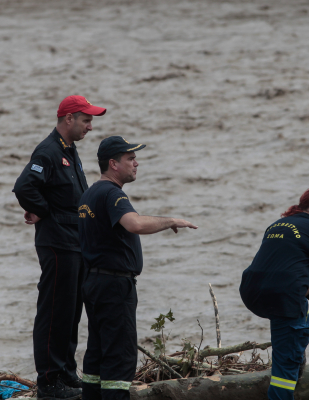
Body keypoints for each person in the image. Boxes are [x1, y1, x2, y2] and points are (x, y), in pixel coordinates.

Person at [78, 136, 198, 400]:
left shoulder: (89, 193)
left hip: (93, 283)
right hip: (114, 286)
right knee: (118, 359)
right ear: (113, 164)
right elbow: (135, 224)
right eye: (130, 159)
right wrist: (171, 220)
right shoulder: (112, 193)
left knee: (97, 355)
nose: (137, 163)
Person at [13, 95, 108, 400]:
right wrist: (43, 210)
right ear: (69, 118)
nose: (90, 127)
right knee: (54, 310)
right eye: (86, 120)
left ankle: (66, 372)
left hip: (74, 242)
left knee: (71, 311)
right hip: (57, 242)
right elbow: (24, 186)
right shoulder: (49, 151)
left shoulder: (70, 150)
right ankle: (50, 381)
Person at [239, 187, 309, 400]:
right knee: (287, 363)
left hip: (251, 290)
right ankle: (291, 368)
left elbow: (281, 269)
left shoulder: (275, 225)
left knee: (287, 319)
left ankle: (295, 358)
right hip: (282, 295)